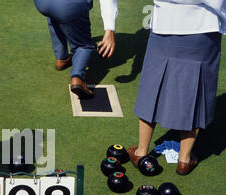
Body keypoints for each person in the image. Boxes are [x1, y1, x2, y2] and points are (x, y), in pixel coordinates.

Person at [128, 0, 226, 176]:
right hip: (204, 26)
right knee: (197, 89)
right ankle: (184, 159)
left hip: (165, 22)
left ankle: (141, 151)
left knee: (152, 84)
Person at [34, 0, 118, 99]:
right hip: (68, 6)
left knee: (53, 16)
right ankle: (77, 78)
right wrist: (110, 30)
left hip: (42, 3)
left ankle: (61, 58)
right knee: (84, 46)